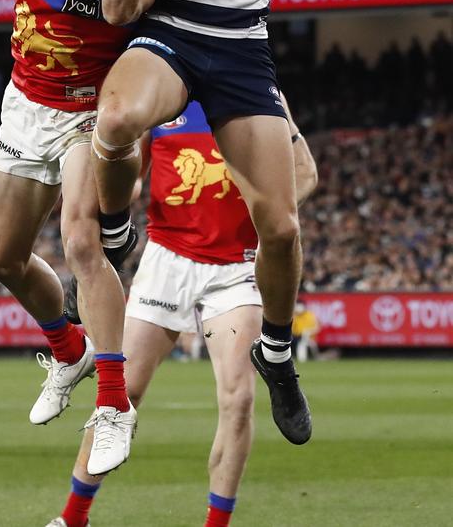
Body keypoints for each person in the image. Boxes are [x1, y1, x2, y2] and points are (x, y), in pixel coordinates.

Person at [83, 0, 317, 445]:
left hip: (243, 48)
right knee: (116, 121)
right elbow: (122, 9)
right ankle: (120, 229)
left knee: (279, 226)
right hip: (174, 33)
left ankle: (276, 351)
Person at [46, 95, 317, 527]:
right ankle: (73, 518)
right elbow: (131, 178)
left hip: (237, 267)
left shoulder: (259, 91)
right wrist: (95, 187)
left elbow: (304, 174)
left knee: (239, 398)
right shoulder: (164, 90)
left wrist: (263, 202)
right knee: (122, 392)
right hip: (166, 260)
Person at [0, 0, 160, 474]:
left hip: (88, 112)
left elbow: (117, 10)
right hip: (24, 105)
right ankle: (67, 348)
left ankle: (114, 404)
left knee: (81, 245)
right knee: (0, 258)